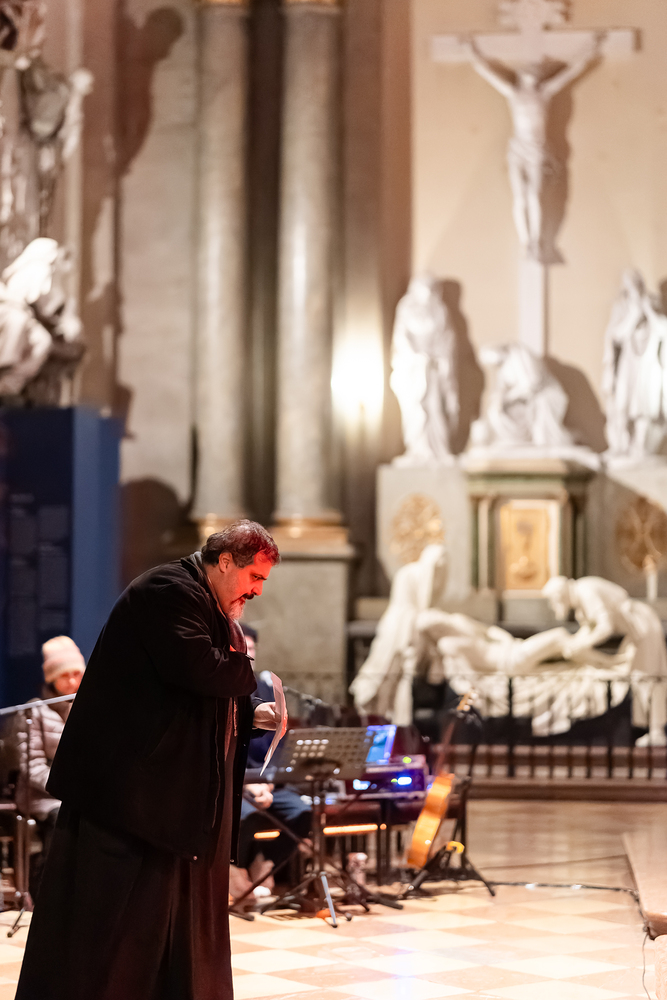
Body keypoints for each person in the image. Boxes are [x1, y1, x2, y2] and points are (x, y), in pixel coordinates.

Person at [15, 519, 280, 1000]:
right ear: (225, 562)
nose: (258, 590)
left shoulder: (205, 602)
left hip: (162, 800)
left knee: (160, 928)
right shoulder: (167, 590)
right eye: (254, 577)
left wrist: (250, 711)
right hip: (125, 799)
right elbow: (201, 669)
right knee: (110, 934)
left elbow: (192, 690)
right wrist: (242, 658)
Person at [463, 33, 604, 262]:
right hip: (517, 149)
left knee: (535, 197)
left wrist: (589, 51)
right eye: (526, 71)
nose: (531, 73)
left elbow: (571, 73)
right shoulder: (514, 94)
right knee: (520, 198)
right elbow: (487, 73)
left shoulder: (544, 94)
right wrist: (471, 53)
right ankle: (525, 242)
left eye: (533, 72)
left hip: (537, 150)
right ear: (520, 76)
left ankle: (537, 242)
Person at [236, 624, 311, 895]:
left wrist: (269, 780)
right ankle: (237, 870)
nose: (249, 653)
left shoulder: (265, 688)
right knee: (246, 815)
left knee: (303, 813)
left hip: (269, 780)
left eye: (252, 648)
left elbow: (279, 741)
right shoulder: (226, 687)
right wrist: (248, 783)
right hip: (238, 780)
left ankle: (266, 862)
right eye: (243, 647)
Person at [15, 636, 85, 888]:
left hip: (78, 794)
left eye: (77, 673)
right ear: (51, 678)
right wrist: (66, 787)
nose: (73, 681)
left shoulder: (87, 710)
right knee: (62, 821)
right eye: (65, 675)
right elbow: (31, 766)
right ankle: (44, 892)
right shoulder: (34, 712)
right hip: (42, 797)